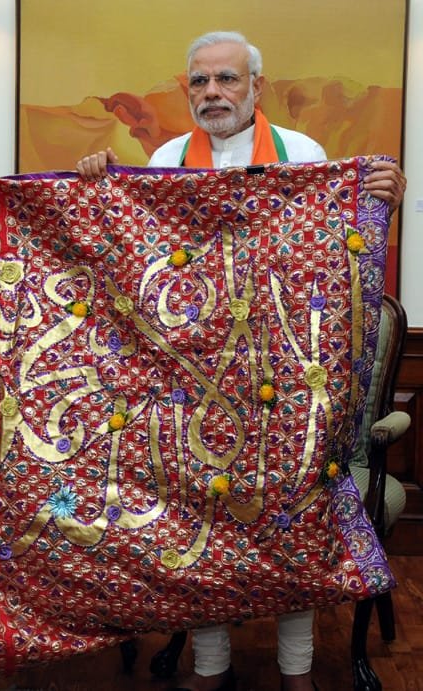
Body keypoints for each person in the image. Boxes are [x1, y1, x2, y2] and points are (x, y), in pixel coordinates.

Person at [77, 30, 406, 691]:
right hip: (188, 378)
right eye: (199, 82)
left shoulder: (303, 155)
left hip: (284, 378)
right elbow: (131, 256)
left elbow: (334, 255)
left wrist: (382, 199)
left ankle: (296, 670)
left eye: (226, 79)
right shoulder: (166, 159)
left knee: (291, 517)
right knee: (200, 513)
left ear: (256, 87)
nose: (212, 93)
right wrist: (96, 188)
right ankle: (210, 666)